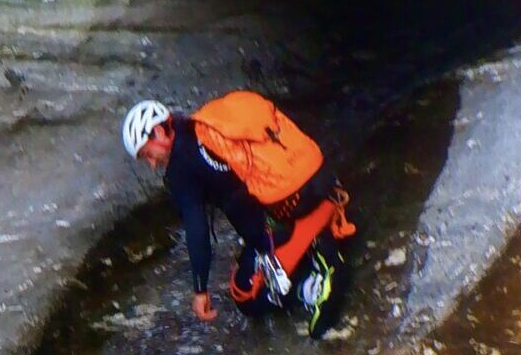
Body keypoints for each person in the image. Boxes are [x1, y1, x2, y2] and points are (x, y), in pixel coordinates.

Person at [121, 93, 357, 338]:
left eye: (147, 154)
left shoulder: (181, 168)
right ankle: (321, 214)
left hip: (290, 206)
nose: (152, 164)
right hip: (315, 174)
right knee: (256, 243)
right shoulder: (206, 124)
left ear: (159, 133)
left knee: (244, 293)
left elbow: (198, 229)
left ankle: (316, 274)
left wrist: (200, 290)